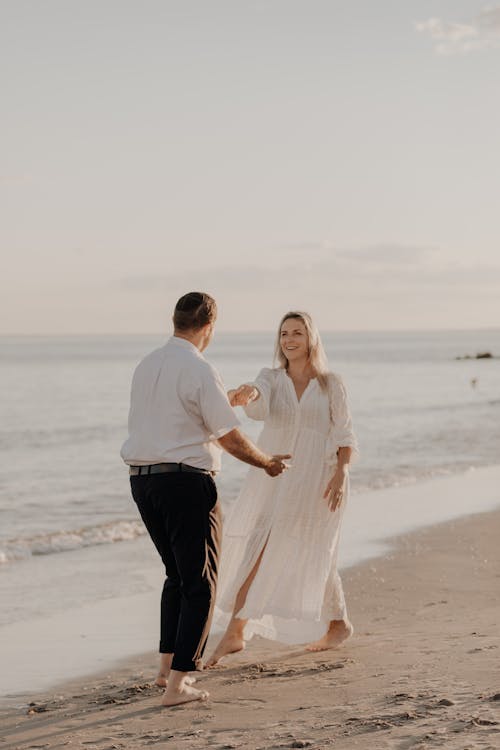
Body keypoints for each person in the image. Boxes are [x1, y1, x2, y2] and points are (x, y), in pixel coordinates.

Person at [120, 292, 290, 706]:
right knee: (201, 583)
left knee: (176, 577)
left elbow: (166, 420)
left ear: (175, 320)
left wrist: (225, 404)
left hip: (143, 481)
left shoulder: (147, 365)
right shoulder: (199, 368)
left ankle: (165, 671)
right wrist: (267, 462)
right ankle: (179, 685)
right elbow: (228, 436)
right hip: (185, 482)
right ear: (209, 326)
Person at [207, 311, 358, 666]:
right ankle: (236, 632)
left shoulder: (330, 383)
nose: (289, 340)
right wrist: (248, 391)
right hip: (276, 475)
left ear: (311, 339)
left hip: (321, 479)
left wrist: (341, 473)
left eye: (297, 333)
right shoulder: (271, 377)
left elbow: (345, 432)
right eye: (284, 334)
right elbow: (258, 401)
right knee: (258, 545)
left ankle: (338, 623)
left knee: (316, 550)